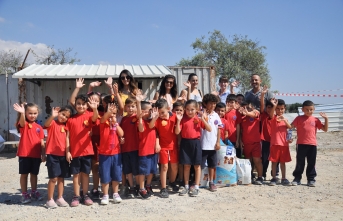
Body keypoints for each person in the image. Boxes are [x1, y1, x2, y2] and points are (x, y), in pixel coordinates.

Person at [66, 94, 98, 207]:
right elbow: (67, 137)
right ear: (75, 105)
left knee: (85, 174)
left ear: (87, 105)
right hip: (74, 152)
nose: (81, 106)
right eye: (78, 103)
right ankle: (76, 196)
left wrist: (94, 108)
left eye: (83, 104)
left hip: (87, 151)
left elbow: (95, 118)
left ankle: (85, 194)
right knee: (75, 175)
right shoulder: (70, 120)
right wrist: (68, 151)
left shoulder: (89, 115)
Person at [175, 100, 211, 196]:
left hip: (196, 143)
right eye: (187, 109)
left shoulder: (199, 119)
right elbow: (177, 132)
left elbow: (209, 129)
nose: (189, 112)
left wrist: (203, 119)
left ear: (197, 110)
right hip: (185, 143)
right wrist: (178, 120)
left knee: (197, 166)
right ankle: (186, 186)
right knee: (186, 166)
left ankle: (196, 187)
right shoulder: (182, 118)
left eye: (192, 109)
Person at [13, 102, 45, 204]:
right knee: (24, 174)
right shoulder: (24, 125)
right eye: (30, 113)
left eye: (35, 113)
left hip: (36, 155)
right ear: (26, 114)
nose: (33, 115)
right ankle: (24, 193)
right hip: (24, 154)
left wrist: (43, 154)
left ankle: (34, 191)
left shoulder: (39, 127)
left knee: (34, 174)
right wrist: (22, 113)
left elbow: (41, 142)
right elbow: (22, 122)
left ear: (38, 113)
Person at [291, 100, 328, 187]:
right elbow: (290, 127)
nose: (309, 111)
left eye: (311, 109)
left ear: (314, 109)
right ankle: (297, 178)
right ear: (302, 109)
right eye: (307, 109)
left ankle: (311, 179)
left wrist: (326, 119)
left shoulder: (315, 120)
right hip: (301, 144)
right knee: (300, 162)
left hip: (312, 144)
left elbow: (325, 129)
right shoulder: (299, 118)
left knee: (311, 162)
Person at [149, 99, 179, 198]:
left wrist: (178, 121)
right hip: (163, 146)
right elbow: (151, 127)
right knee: (164, 167)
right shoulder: (157, 119)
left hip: (173, 146)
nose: (161, 114)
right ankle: (163, 188)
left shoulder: (175, 117)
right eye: (159, 113)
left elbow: (178, 132)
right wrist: (154, 118)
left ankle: (172, 182)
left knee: (174, 166)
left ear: (168, 109)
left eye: (163, 112)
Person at [44, 105, 73, 208]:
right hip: (52, 155)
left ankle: (60, 197)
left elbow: (67, 140)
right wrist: (52, 116)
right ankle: (49, 199)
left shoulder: (67, 127)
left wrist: (68, 152)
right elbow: (45, 124)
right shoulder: (52, 123)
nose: (64, 117)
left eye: (66, 116)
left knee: (61, 178)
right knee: (53, 178)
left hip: (63, 155)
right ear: (58, 113)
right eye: (62, 114)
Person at [98, 100, 124, 205]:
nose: (112, 115)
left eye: (114, 113)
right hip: (104, 153)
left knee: (116, 174)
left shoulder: (116, 123)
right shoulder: (103, 122)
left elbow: (122, 133)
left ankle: (115, 193)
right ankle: (105, 195)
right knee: (105, 174)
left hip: (116, 153)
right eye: (109, 112)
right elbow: (103, 118)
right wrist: (108, 113)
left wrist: (116, 124)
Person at [136, 95, 157, 199]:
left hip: (153, 150)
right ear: (144, 112)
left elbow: (153, 127)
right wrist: (138, 103)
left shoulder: (152, 120)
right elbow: (144, 128)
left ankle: (148, 185)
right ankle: (141, 188)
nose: (151, 112)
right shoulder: (141, 122)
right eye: (149, 110)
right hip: (144, 151)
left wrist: (154, 117)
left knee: (152, 170)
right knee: (143, 171)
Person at [268, 99, 292, 186]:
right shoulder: (273, 118)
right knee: (274, 162)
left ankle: (284, 178)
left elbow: (290, 128)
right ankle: (274, 178)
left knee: (283, 162)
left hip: (284, 144)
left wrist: (284, 120)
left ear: (285, 108)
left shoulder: (285, 119)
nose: (280, 110)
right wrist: (274, 105)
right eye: (278, 109)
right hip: (274, 144)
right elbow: (271, 114)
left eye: (282, 109)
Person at [200, 94, 222, 192]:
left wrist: (218, 142)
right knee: (199, 165)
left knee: (212, 165)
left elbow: (219, 129)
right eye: (211, 104)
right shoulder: (200, 114)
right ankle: (196, 182)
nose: (213, 106)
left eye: (214, 104)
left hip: (213, 145)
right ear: (205, 104)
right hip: (202, 144)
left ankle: (211, 182)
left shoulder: (216, 115)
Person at [239, 101, 264, 185]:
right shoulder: (243, 118)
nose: (247, 109)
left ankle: (260, 177)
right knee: (248, 162)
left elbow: (254, 114)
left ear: (253, 107)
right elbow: (241, 131)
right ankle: (249, 176)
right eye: (245, 108)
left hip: (256, 143)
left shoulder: (256, 113)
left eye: (249, 108)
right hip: (246, 144)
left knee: (257, 161)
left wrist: (247, 113)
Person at [120, 98, 140, 198]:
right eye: (128, 106)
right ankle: (131, 187)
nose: (130, 108)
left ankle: (138, 186)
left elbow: (140, 115)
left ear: (136, 107)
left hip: (135, 148)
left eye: (133, 106)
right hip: (125, 148)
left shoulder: (137, 117)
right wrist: (120, 138)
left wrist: (139, 102)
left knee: (136, 169)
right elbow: (119, 132)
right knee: (128, 170)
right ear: (125, 107)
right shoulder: (123, 119)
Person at [260, 86, 279, 180]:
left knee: (275, 158)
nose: (269, 109)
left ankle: (275, 174)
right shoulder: (263, 115)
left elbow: (272, 113)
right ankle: (263, 174)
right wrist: (263, 94)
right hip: (265, 140)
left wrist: (274, 105)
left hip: (275, 141)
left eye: (271, 108)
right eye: (268, 107)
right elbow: (262, 104)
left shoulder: (274, 117)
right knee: (265, 158)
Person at [172, 101, 185, 186]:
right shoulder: (171, 119)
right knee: (172, 164)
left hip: (181, 143)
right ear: (173, 110)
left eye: (181, 110)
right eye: (177, 110)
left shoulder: (183, 120)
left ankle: (181, 179)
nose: (179, 112)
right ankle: (170, 179)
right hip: (172, 144)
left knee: (180, 163)